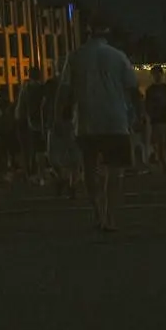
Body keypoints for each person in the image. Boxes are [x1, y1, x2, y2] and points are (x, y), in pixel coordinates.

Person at [56, 26, 137, 233]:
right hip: (115, 119)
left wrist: (57, 116)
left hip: (86, 119)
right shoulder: (119, 56)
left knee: (89, 168)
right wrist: (137, 114)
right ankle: (110, 216)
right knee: (115, 171)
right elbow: (132, 88)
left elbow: (64, 90)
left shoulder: (75, 57)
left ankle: (98, 212)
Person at [145, 65, 166, 173]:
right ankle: (164, 164)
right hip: (158, 120)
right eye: (155, 74)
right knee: (160, 143)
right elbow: (148, 105)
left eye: (158, 74)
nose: (157, 76)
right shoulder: (150, 90)